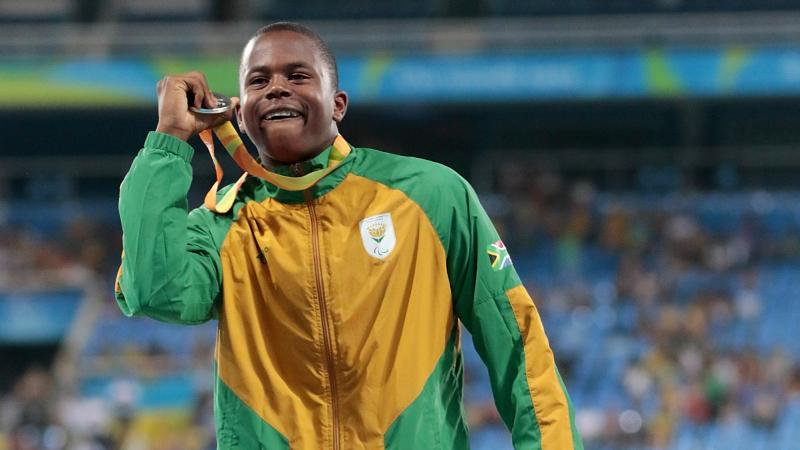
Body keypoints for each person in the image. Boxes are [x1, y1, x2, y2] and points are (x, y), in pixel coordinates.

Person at [114, 21, 583, 450]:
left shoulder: (432, 195)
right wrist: (169, 139)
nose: (276, 88)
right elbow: (155, 292)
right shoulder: (222, 223)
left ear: (338, 104)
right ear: (238, 110)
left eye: (298, 76)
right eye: (258, 81)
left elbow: (516, 343)